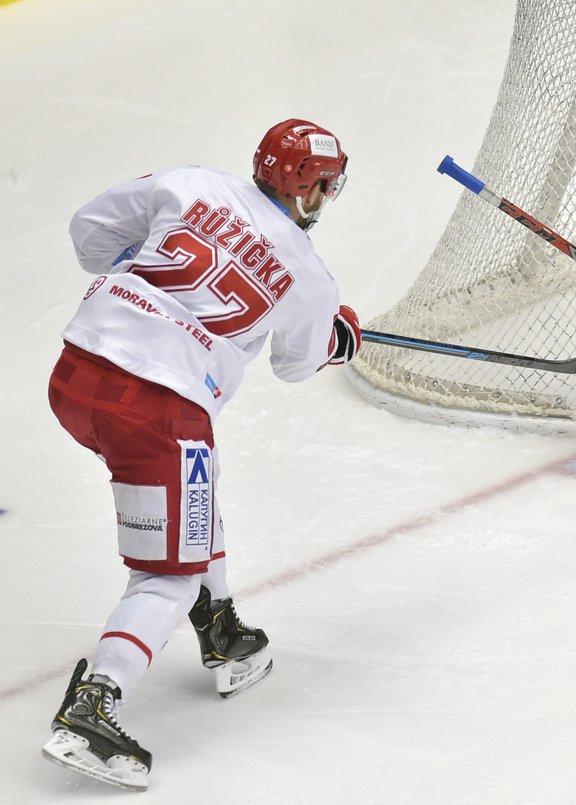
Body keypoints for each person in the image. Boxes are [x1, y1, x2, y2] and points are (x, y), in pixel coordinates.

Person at [41, 119, 362, 791]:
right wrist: (339, 340)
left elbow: (88, 232)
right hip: (158, 409)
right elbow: (297, 364)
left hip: (76, 375)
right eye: (325, 188)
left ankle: (220, 628)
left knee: (192, 492)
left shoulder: (189, 184)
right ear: (306, 188)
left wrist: (149, 285)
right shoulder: (308, 275)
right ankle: (95, 703)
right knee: (165, 577)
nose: (325, 200)